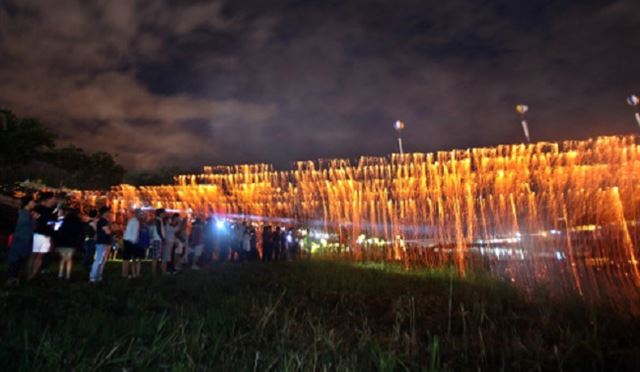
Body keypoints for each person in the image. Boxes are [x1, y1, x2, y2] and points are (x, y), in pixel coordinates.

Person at [6, 195, 36, 287]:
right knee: (17, 261)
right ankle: (12, 280)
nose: (34, 203)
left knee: (18, 261)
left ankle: (15, 280)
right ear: (28, 203)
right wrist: (33, 219)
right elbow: (27, 227)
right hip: (21, 240)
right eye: (32, 202)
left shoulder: (25, 213)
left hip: (22, 240)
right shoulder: (24, 214)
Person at [28, 192, 57, 280]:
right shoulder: (39, 209)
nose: (54, 200)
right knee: (33, 255)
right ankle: (28, 274)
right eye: (53, 198)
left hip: (46, 236)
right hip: (37, 234)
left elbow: (52, 223)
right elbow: (39, 221)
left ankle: (33, 275)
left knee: (40, 256)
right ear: (48, 199)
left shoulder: (52, 210)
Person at [54, 207, 85, 280]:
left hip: (62, 242)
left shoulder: (63, 221)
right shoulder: (78, 222)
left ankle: (60, 274)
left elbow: (58, 230)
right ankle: (67, 275)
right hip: (72, 242)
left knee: (63, 258)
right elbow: (80, 232)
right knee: (69, 259)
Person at [90, 206, 113, 283]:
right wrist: (111, 230)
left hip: (103, 242)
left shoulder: (103, 221)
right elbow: (107, 231)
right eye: (109, 212)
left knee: (101, 260)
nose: (110, 213)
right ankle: (93, 276)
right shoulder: (103, 221)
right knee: (99, 260)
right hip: (102, 242)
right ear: (105, 213)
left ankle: (98, 276)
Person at [122, 209, 141, 279]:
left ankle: (124, 274)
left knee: (126, 258)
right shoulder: (136, 221)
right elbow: (135, 233)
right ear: (137, 214)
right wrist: (135, 242)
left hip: (127, 240)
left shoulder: (131, 220)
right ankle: (125, 275)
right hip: (130, 241)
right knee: (127, 258)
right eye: (140, 214)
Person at [150, 208, 166, 275]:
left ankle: (156, 271)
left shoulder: (160, 220)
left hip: (158, 239)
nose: (165, 214)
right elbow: (159, 230)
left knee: (157, 256)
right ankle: (153, 272)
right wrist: (162, 238)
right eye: (164, 213)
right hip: (157, 240)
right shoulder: (158, 220)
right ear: (160, 213)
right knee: (155, 257)